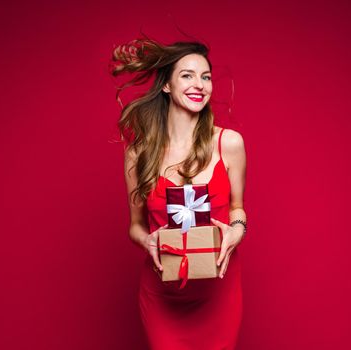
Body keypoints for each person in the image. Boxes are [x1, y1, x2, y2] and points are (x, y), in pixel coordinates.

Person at [112, 37, 248, 350]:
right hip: (163, 291)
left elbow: (238, 207)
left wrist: (237, 231)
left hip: (218, 290)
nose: (199, 84)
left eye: (206, 77)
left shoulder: (229, 143)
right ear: (167, 86)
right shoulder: (139, 152)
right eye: (187, 75)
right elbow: (135, 224)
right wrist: (146, 240)